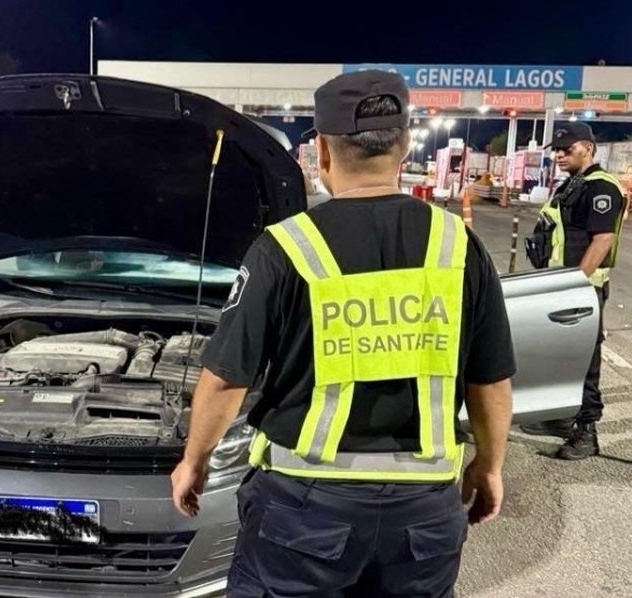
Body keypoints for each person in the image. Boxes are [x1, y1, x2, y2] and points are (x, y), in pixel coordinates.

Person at [170, 70, 516, 597]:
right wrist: (489, 467)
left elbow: (225, 380)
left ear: (323, 155)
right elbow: (490, 382)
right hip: (422, 514)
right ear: (402, 147)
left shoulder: (285, 247)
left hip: (303, 511)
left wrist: (194, 462)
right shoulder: (459, 246)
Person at [520, 122, 628, 460]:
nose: (559, 154)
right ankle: (560, 417)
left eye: (567, 148)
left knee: (585, 360)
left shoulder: (601, 188)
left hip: (582, 288)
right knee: (559, 354)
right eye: (557, 149)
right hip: (560, 283)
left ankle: (587, 432)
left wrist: (574, 285)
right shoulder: (573, 185)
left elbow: (602, 241)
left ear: (588, 148)